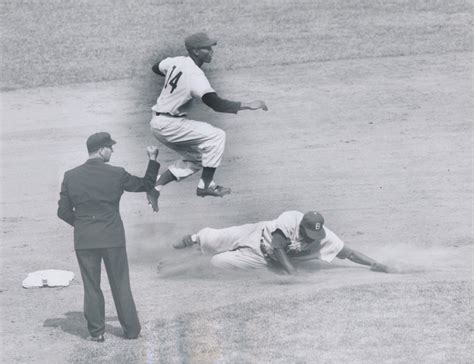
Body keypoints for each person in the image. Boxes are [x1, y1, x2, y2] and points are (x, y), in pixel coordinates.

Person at [146, 32, 268, 212]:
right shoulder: (195, 75)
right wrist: (248, 105)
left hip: (159, 123)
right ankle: (206, 185)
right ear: (195, 51)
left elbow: (156, 67)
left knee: (197, 159)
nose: (212, 51)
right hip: (169, 125)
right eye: (207, 48)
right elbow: (215, 104)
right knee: (216, 136)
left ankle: (155, 187)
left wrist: (172, 79)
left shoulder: (176, 61)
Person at [57, 132, 160, 342]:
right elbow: (146, 185)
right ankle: (131, 331)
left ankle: (97, 333)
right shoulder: (116, 173)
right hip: (112, 237)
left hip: (85, 239)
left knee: (91, 286)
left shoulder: (70, 175)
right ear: (102, 149)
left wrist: (84, 223)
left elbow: (63, 211)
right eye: (111, 147)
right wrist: (152, 159)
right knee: (120, 283)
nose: (112, 151)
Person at [172, 210, 391, 274]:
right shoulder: (290, 219)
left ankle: (185, 265)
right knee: (211, 238)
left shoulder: (325, 237)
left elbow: (349, 253)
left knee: (218, 263)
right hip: (254, 234)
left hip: (259, 259)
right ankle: (191, 240)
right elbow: (277, 246)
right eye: (307, 234)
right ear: (301, 225)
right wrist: (291, 273)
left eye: (314, 236)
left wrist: (374, 264)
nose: (310, 239)